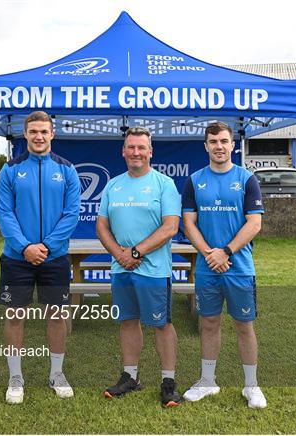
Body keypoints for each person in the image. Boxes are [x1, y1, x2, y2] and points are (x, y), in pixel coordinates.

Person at [0, 111, 80, 404]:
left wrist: (46, 245)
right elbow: (4, 213)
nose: (39, 137)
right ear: (25, 134)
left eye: (44, 131)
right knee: (15, 316)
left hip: (54, 258)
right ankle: (15, 377)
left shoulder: (67, 170)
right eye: (33, 132)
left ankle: (57, 374)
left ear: (52, 134)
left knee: (56, 316)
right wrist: (25, 247)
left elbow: (72, 214)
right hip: (17, 258)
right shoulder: (10, 170)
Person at [181, 122, 267, 408]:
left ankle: (251, 386)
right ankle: (207, 381)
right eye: (213, 141)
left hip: (239, 267)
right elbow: (188, 223)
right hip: (208, 267)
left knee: (244, 325)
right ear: (205, 146)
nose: (219, 146)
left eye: (224, 141)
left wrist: (226, 251)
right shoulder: (195, 181)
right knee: (208, 323)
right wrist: (209, 253)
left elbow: (254, 223)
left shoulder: (246, 179)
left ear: (233, 145)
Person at [96, 126, 182, 407]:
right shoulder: (113, 185)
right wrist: (120, 256)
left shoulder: (163, 184)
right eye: (131, 147)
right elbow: (102, 226)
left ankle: (168, 381)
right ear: (123, 151)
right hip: (122, 269)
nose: (136, 152)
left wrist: (135, 251)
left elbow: (170, 227)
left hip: (153, 270)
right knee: (127, 321)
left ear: (150, 152)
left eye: (141, 147)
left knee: (161, 324)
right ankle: (130, 376)